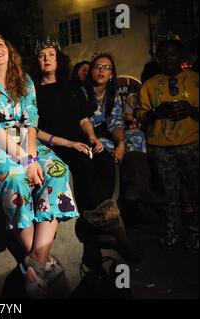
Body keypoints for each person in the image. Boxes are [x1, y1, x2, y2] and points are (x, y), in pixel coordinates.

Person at [0, 31, 78, 298]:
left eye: (0, 44)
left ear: (9, 49)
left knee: (57, 170)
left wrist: (32, 157)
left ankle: (35, 263)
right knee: (18, 178)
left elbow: (31, 122)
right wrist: (25, 162)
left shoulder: (25, 80)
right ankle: (45, 265)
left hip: (25, 142)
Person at [32, 39, 117, 217]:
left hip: (80, 140)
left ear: (59, 59)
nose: (46, 59)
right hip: (56, 145)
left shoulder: (71, 87)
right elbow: (34, 130)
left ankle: (103, 212)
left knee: (106, 161)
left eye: (51, 55)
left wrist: (93, 137)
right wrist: (69, 144)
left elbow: (83, 118)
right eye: (41, 56)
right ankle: (99, 215)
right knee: (82, 161)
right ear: (37, 62)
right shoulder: (33, 91)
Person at [136, 37, 199, 251]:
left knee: (195, 189)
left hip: (192, 144)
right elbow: (140, 115)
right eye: (162, 55)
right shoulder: (149, 85)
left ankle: (196, 232)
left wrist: (192, 110)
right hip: (161, 148)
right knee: (169, 193)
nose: (167, 59)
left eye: (172, 54)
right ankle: (173, 231)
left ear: (180, 55)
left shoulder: (195, 79)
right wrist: (155, 112)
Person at [84, 53, 166, 206]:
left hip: (109, 134)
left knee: (136, 135)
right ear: (92, 71)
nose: (102, 71)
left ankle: (139, 187)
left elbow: (116, 122)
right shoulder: (82, 93)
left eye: (107, 68)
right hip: (90, 137)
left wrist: (121, 143)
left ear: (111, 75)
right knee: (106, 148)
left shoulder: (112, 94)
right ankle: (123, 195)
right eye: (98, 67)